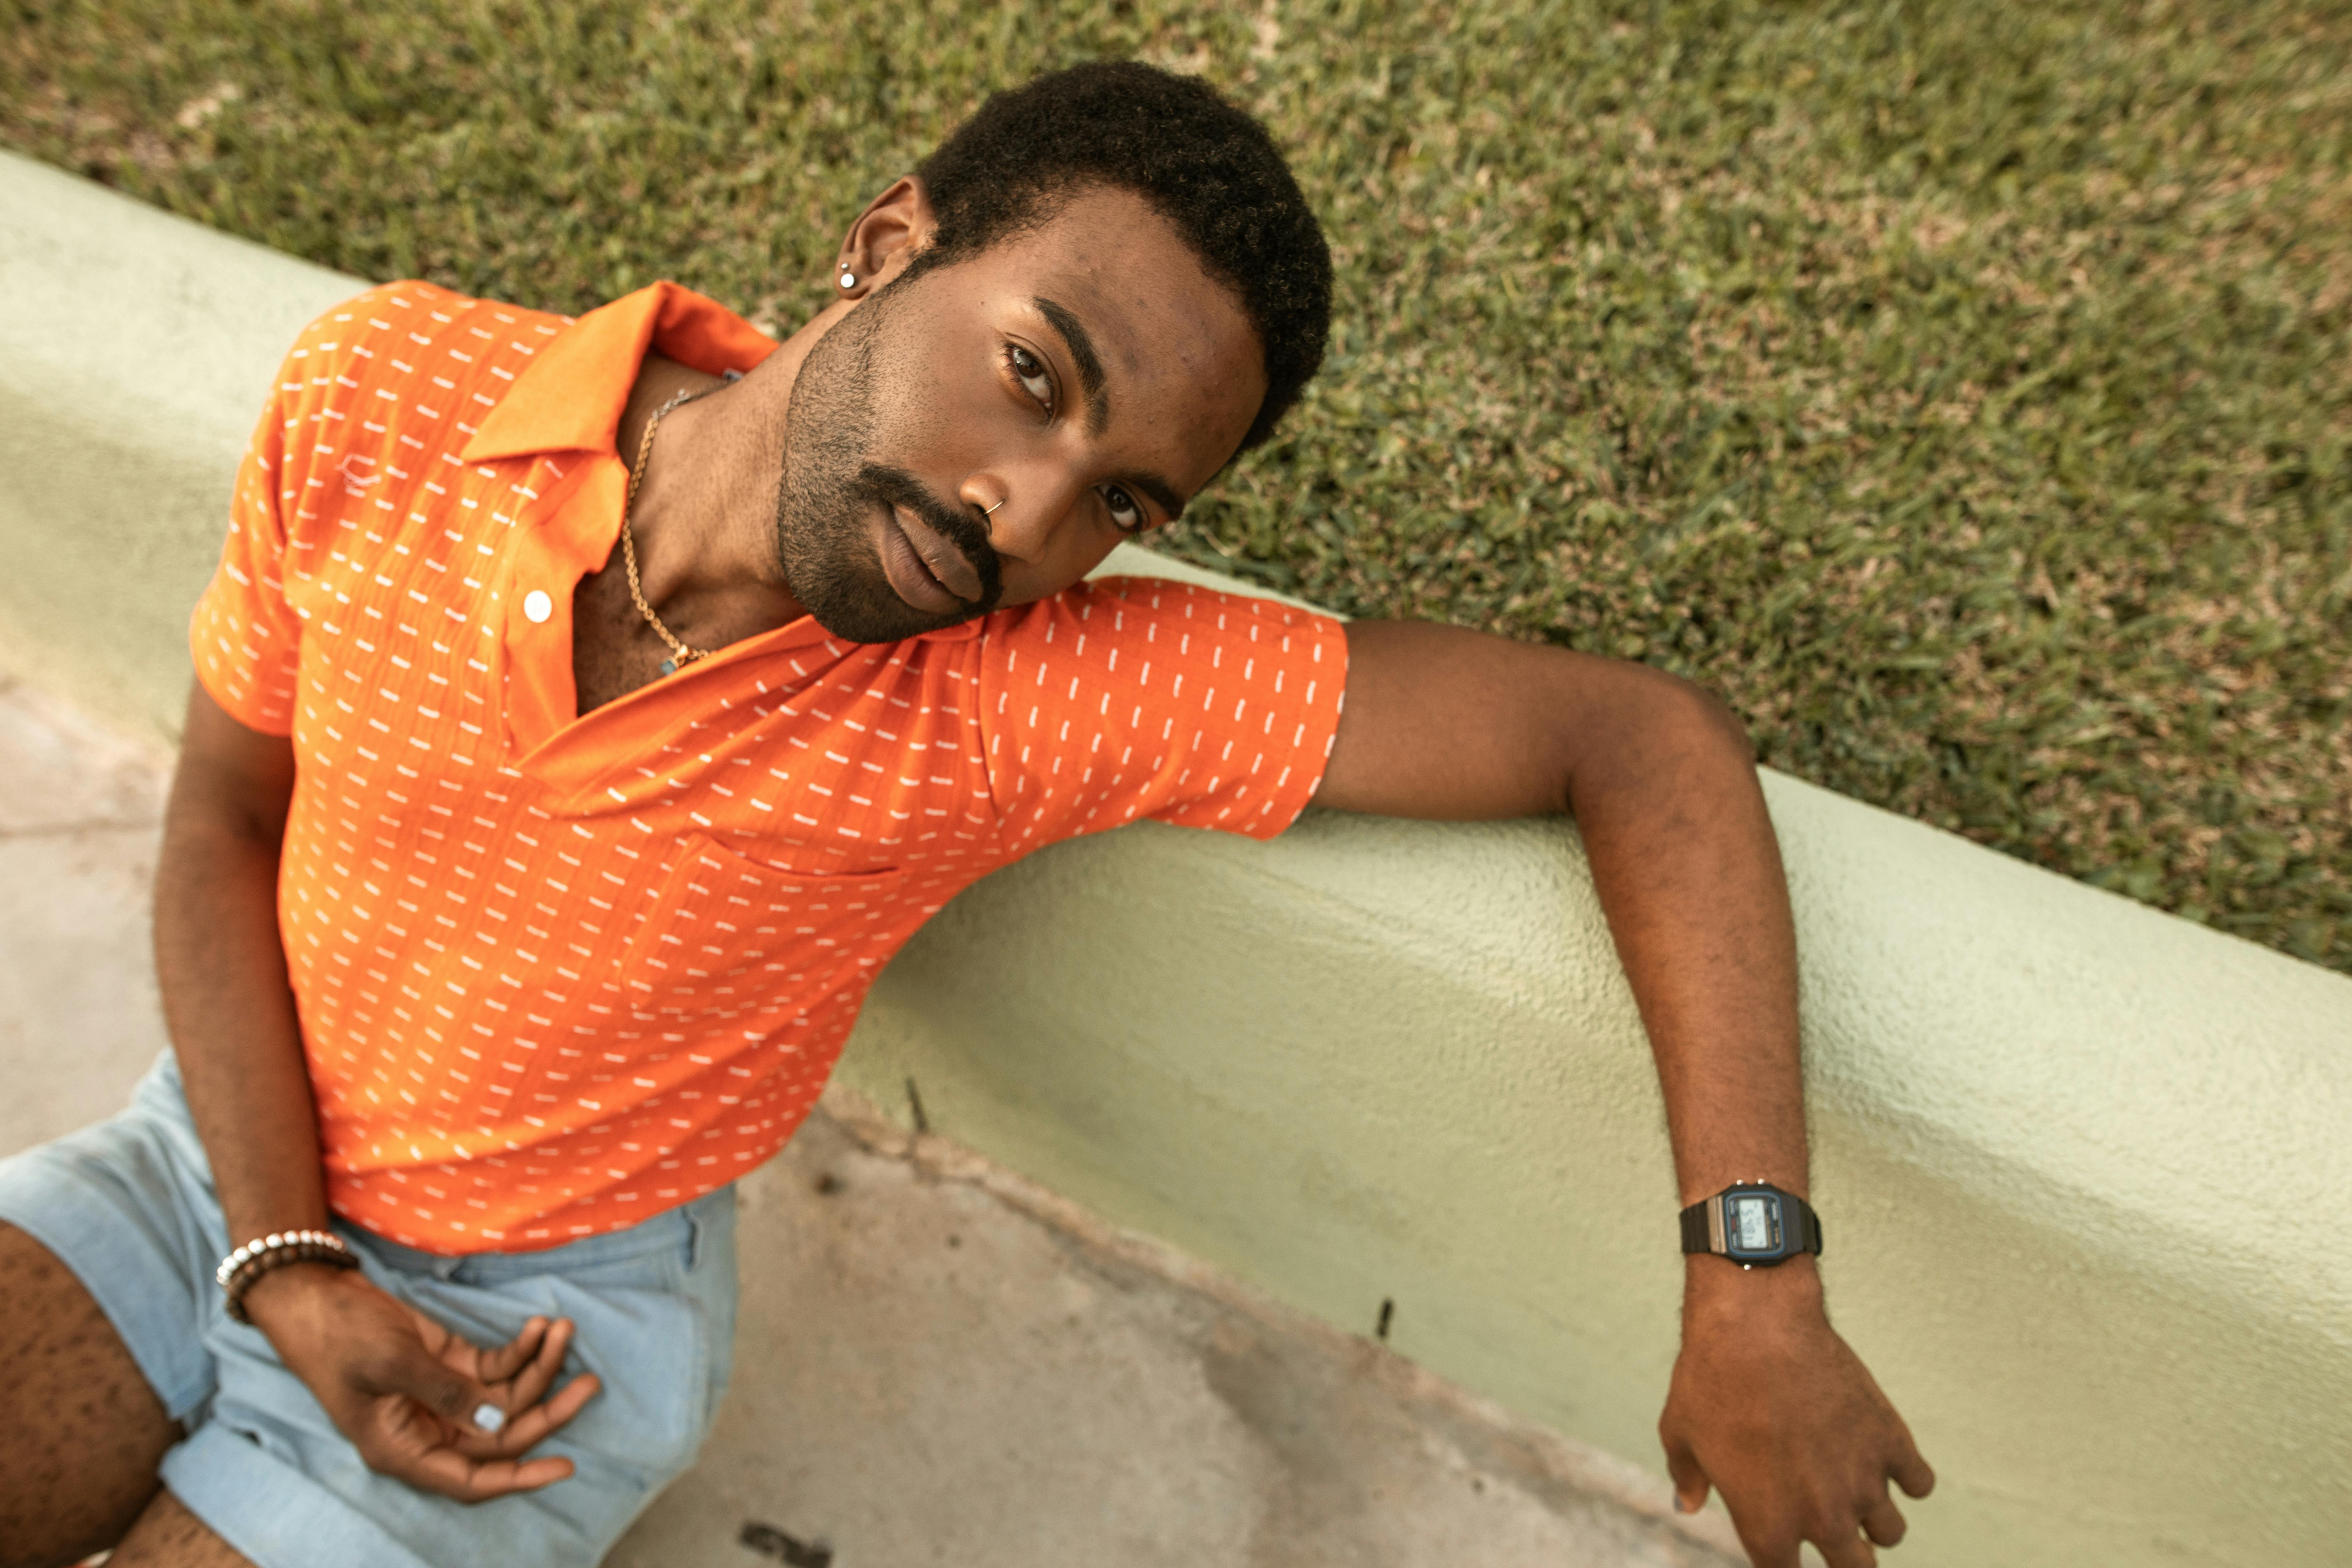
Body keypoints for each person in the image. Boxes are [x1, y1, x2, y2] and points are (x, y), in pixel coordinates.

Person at [0, 60, 1931, 1568]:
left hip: (539, 1326)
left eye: (1127, 501)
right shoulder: (391, 397)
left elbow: (1645, 741)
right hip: (208, 1168)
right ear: (886, 240)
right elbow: (221, 830)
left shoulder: (1023, 689)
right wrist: (281, 1253)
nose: (1031, 514)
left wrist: (1753, 1286)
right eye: (1034, 377)